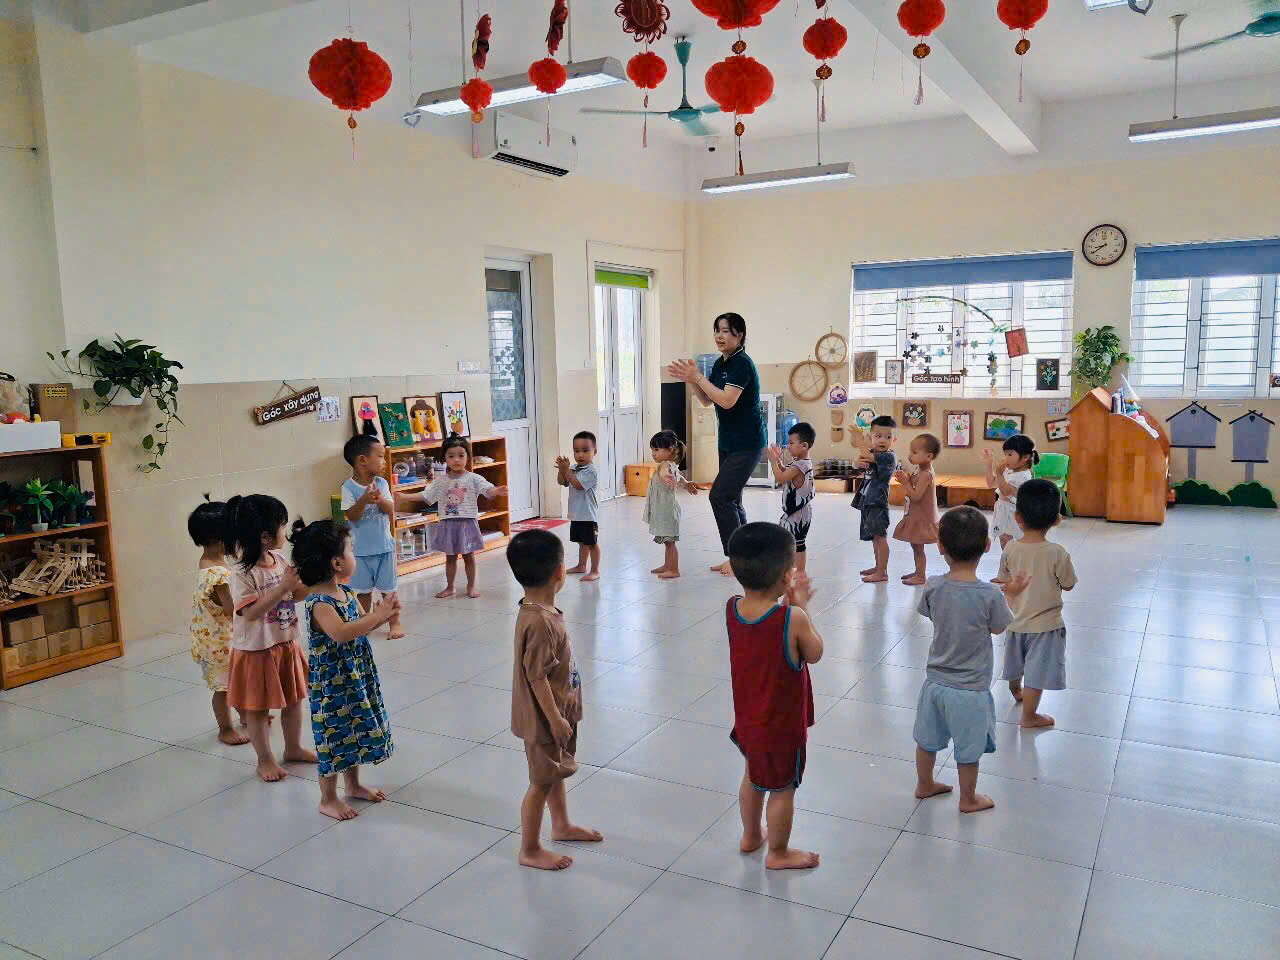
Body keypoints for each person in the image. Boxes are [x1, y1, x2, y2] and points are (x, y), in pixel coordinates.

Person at [913, 506, 1028, 813]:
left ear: (940, 546)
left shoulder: (933, 585)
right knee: (968, 748)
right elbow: (999, 626)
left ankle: (924, 784)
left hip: (935, 683)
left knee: (926, 740)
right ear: (987, 546)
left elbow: (928, 612)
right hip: (971, 689)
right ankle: (968, 798)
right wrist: (1012, 595)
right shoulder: (989, 595)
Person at [726, 522, 825, 870]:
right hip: (782, 728)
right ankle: (779, 853)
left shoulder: (733, 608)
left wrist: (785, 603)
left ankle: (751, 835)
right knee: (783, 788)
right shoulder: (793, 618)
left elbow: (764, 632)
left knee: (753, 778)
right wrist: (801, 606)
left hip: (749, 721)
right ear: (786, 576)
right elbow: (814, 653)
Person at [506, 529, 603, 870]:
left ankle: (561, 825)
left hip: (557, 711)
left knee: (554, 771)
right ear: (560, 572)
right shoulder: (539, 622)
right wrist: (556, 719)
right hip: (545, 719)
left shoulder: (538, 610)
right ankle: (529, 849)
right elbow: (536, 676)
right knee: (540, 783)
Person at [291, 518, 398, 821]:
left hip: (355, 676)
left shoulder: (347, 593)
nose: (354, 554)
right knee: (333, 737)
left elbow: (361, 625)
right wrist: (376, 617)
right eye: (351, 549)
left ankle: (353, 784)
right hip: (333, 684)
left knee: (354, 730)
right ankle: (327, 799)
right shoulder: (319, 603)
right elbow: (340, 633)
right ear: (336, 562)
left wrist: (381, 616)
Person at [223, 494, 316, 782]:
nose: (285, 533)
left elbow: (295, 595)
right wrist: (282, 588)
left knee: (294, 700)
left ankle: (293, 748)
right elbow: (250, 612)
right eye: (282, 526)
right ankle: (264, 760)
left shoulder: (279, 560)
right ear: (265, 536)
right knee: (257, 709)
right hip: (256, 650)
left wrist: (308, 581)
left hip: (285, 642)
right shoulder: (241, 573)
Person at [666, 312, 766, 576]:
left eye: (725, 331)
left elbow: (727, 401)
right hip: (729, 442)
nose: (719, 336)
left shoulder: (742, 363)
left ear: (739, 335)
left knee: (720, 496)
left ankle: (736, 557)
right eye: (717, 330)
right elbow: (707, 400)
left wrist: (699, 378)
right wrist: (692, 380)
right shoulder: (722, 363)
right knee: (732, 498)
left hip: (748, 443)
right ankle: (744, 556)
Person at [999, 479, 1077, 729]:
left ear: (1018, 518)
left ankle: (1016, 691)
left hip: (1015, 620)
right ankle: (1029, 716)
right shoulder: (1057, 552)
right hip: (1045, 626)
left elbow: (1003, 580)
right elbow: (1069, 584)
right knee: (1036, 671)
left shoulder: (1010, 548)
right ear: (1056, 519)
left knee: (1015, 663)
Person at [409, 434, 508, 599]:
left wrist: (497, 490)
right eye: (451, 456)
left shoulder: (474, 478)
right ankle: (450, 587)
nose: (456, 460)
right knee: (450, 557)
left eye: (461, 455)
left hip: (467, 523)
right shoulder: (440, 481)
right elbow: (425, 495)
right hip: (448, 523)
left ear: (468, 456)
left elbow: (487, 489)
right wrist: (404, 497)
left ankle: (471, 586)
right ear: (445, 458)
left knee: (469, 556)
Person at [187, 497, 248, 746]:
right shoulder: (219, 575)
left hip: (215, 637)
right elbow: (232, 608)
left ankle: (247, 716)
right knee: (224, 689)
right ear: (223, 537)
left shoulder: (208, 562)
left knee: (236, 682)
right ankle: (225, 729)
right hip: (221, 643)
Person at [339, 435, 403, 640]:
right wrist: (364, 500)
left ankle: (395, 623)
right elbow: (351, 516)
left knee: (389, 591)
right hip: (359, 552)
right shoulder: (347, 487)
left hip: (384, 548)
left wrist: (380, 499)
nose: (384, 461)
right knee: (362, 592)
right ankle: (363, 624)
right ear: (362, 460)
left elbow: (390, 509)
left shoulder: (381, 483)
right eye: (381, 456)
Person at [642, 430, 699, 579]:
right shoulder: (671, 464)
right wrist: (687, 484)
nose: (653, 453)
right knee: (668, 542)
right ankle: (668, 565)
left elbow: (665, 473)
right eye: (652, 450)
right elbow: (678, 477)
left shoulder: (664, 465)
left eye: (656, 449)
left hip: (666, 510)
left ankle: (674, 569)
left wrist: (665, 476)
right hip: (666, 508)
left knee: (670, 542)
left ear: (670, 450)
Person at [852, 415, 898, 583]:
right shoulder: (871, 453)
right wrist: (856, 463)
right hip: (867, 501)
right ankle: (878, 566)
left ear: (894, 439)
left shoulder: (888, 456)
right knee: (874, 537)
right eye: (878, 436)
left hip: (878, 503)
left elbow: (867, 455)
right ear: (871, 437)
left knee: (880, 537)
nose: (882, 440)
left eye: (888, 436)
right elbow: (857, 464)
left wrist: (860, 442)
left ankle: (882, 572)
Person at [765, 422, 816, 572]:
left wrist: (772, 461)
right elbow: (786, 472)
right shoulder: (801, 463)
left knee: (797, 543)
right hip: (797, 511)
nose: (788, 446)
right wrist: (778, 461)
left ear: (804, 446)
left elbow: (780, 478)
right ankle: (791, 569)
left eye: (791, 443)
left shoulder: (799, 466)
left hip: (798, 513)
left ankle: (798, 572)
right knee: (791, 541)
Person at [893, 433, 942, 586]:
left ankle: (921, 576)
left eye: (914, 452)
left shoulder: (926, 474)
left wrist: (905, 483)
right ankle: (918, 571)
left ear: (929, 456)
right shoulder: (919, 469)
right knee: (915, 545)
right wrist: (907, 479)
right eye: (910, 451)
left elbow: (916, 496)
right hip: (916, 513)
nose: (910, 455)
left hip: (922, 516)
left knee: (918, 547)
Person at [555, 430, 600, 582]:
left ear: (595, 451)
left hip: (588, 515)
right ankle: (581, 566)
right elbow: (563, 482)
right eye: (576, 451)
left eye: (585, 451)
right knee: (582, 542)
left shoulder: (591, 471)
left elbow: (578, 485)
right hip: (577, 514)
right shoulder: (574, 468)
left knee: (591, 543)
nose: (580, 455)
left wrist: (566, 471)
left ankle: (595, 571)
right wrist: (562, 471)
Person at [983, 433, 1038, 552]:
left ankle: (1014, 559)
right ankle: (1008, 559)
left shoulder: (1023, 476)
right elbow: (991, 483)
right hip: (1003, 509)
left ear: (1025, 457)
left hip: (1013, 512)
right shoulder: (1009, 470)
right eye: (1005, 454)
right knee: (1004, 539)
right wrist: (988, 464)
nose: (1006, 458)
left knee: (1014, 541)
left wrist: (999, 474)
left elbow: (1006, 491)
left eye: (1010, 454)